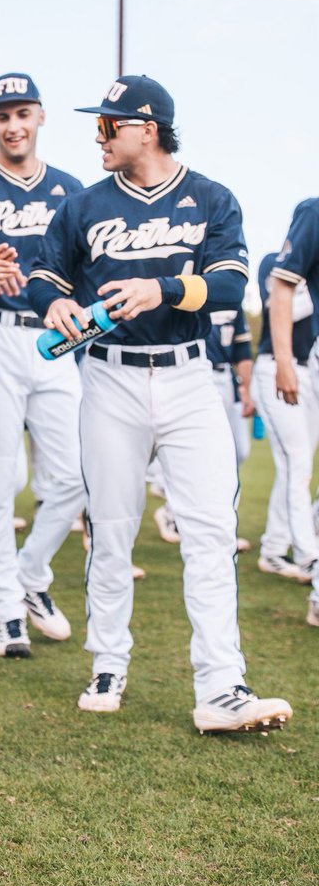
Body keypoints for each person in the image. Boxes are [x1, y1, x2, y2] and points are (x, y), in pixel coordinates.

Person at [28, 74, 292, 733]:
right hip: (110, 379)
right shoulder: (84, 205)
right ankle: (108, 660)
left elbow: (231, 285)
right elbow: (42, 274)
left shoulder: (209, 197)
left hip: (188, 378)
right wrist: (54, 303)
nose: (99, 136)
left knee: (207, 531)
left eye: (108, 126)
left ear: (147, 128)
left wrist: (165, 289)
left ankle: (221, 685)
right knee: (111, 527)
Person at [0, 73, 84, 658]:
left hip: (55, 341)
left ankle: (29, 575)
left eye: (22, 114)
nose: (13, 126)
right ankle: (7, 612)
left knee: (74, 479)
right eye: (2, 116)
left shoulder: (69, 188)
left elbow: (84, 269)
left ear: (40, 117)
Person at [153, 307, 254, 553]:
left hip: (225, 377)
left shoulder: (230, 298)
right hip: (190, 373)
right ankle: (179, 516)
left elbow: (241, 349)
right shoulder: (187, 289)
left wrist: (247, 389)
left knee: (238, 451)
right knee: (191, 456)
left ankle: (215, 525)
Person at [266, 201, 319, 624]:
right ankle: (311, 565)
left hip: (304, 364)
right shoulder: (313, 212)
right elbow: (281, 291)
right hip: (296, 364)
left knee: (297, 468)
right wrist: (284, 361)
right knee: (297, 464)